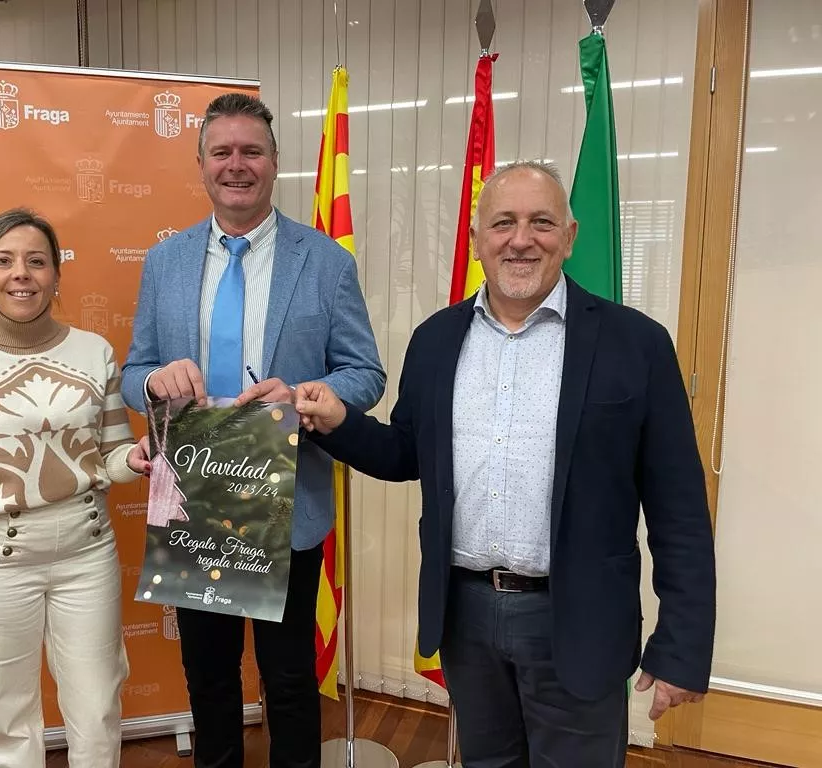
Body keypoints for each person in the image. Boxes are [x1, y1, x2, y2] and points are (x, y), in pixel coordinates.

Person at [293, 161, 716, 767]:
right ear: (476, 239)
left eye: (541, 222)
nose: (521, 239)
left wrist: (680, 643)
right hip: (467, 619)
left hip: (578, 622)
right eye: (504, 223)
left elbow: (680, 510)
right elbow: (408, 453)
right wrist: (339, 421)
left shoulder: (636, 344)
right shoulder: (436, 339)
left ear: (569, 236)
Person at [121, 92, 384, 768]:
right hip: (194, 505)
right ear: (202, 164)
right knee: (208, 680)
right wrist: (155, 384)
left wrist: (302, 399)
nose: (237, 165)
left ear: (274, 163)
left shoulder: (325, 263)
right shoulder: (165, 262)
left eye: (251, 151)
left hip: (286, 503)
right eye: (222, 152)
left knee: (291, 682)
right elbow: (134, 372)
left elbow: (365, 373)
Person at [0, 208, 152, 768]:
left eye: (36, 261)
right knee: (9, 720)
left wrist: (132, 458)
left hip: (88, 556)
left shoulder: (96, 354)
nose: (21, 273)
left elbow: (111, 451)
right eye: (4, 260)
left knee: (97, 712)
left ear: (57, 276)